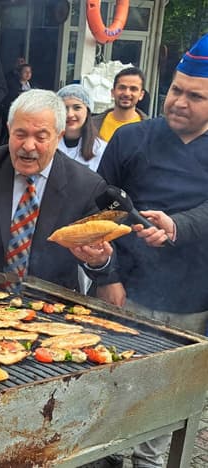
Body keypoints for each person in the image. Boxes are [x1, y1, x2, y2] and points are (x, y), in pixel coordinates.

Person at [0, 90, 118, 294]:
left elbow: (99, 257)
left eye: (41, 137)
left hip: (48, 308)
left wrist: (98, 261)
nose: (28, 146)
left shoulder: (85, 185)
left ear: (59, 137)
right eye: (20, 135)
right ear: (9, 129)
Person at [97, 34, 208, 333]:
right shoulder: (131, 138)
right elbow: (102, 206)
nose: (179, 103)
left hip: (196, 306)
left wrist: (177, 225)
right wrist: (107, 278)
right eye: (176, 90)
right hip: (126, 295)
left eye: (195, 97)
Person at [57, 84, 107, 171]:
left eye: (77, 108)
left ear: (88, 111)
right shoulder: (48, 144)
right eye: (64, 108)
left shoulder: (100, 149)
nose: (70, 114)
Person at [92, 67, 148, 142]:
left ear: (141, 95)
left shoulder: (150, 130)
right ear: (112, 92)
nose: (127, 93)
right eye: (122, 88)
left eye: (133, 89)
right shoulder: (92, 125)